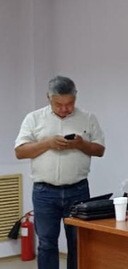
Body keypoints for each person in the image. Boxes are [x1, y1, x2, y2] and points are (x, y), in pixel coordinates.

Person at [14, 76, 105, 269]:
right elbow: (20, 152)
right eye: (59, 104)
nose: (65, 109)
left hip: (78, 191)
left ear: (76, 97)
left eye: (70, 104)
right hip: (44, 192)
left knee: (77, 243)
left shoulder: (88, 118)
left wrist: (82, 144)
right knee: (47, 244)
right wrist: (47, 143)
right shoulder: (34, 118)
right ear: (49, 98)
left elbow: (100, 150)